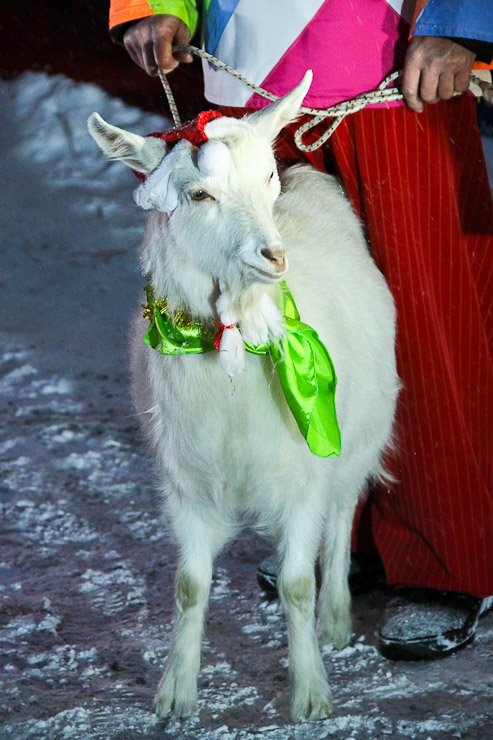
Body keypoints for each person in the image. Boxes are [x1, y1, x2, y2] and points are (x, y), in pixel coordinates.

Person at [108, 0, 493, 660]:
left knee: (425, 318)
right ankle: (340, 528)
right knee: (285, 316)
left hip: (392, 62)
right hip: (255, 75)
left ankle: (448, 555)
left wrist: (459, 20)